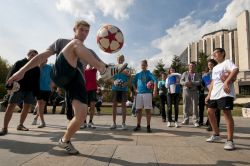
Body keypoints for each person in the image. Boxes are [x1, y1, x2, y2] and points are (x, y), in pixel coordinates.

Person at [5, 20, 127, 155]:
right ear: (74, 29)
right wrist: (22, 71)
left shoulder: (89, 52)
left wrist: (117, 71)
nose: (84, 33)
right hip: (61, 72)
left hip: (76, 81)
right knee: (75, 44)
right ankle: (104, 70)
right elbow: (43, 56)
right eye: (81, 30)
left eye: (87, 31)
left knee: (81, 116)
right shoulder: (61, 42)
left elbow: (103, 65)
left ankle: (65, 140)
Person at [0, 49, 40, 135]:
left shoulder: (36, 68)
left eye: (35, 56)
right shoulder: (19, 63)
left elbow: (37, 81)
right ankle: (4, 128)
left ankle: (21, 125)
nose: (34, 57)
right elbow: (11, 74)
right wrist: (9, 85)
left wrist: (36, 93)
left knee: (26, 108)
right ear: (28, 55)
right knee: (10, 107)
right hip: (18, 89)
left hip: (30, 91)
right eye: (32, 55)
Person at [205, 48, 238, 150]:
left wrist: (227, 82)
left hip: (225, 93)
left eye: (216, 53)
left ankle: (230, 140)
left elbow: (235, 70)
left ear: (222, 53)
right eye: (213, 53)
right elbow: (213, 82)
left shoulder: (227, 62)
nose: (214, 55)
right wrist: (209, 94)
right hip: (214, 94)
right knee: (210, 112)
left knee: (226, 114)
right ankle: (216, 134)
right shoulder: (215, 68)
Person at [133, 60, 157, 133]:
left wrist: (154, 90)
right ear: (140, 66)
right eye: (142, 65)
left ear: (147, 65)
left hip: (147, 94)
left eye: (144, 65)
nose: (143, 66)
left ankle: (148, 126)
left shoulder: (149, 73)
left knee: (147, 110)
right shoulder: (138, 74)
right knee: (138, 110)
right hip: (139, 94)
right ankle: (138, 125)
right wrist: (135, 90)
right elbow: (133, 83)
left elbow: (155, 81)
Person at [110, 55, 130, 130]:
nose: (120, 60)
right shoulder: (113, 68)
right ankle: (113, 123)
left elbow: (129, 78)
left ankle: (123, 123)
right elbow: (110, 78)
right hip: (115, 89)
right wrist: (114, 81)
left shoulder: (127, 69)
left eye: (122, 59)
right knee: (114, 106)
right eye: (119, 59)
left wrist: (126, 83)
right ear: (117, 59)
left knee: (123, 106)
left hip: (124, 90)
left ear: (124, 59)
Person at [200, 59, 220, 130]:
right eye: (209, 65)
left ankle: (216, 126)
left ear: (215, 65)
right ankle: (210, 125)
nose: (210, 66)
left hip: (216, 93)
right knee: (209, 110)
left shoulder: (218, 72)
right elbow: (202, 84)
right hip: (207, 93)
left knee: (216, 111)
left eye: (211, 65)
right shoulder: (205, 74)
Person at [32, 59, 52, 128]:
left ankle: (36, 117)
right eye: (42, 59)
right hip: (38, 88)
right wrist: (40, 67)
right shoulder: (36, 67)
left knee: (42, 106)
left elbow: (53, 76)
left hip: (47, 89)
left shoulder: (50, 67)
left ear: (46, 61)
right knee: (40, 104)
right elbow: (35, 77)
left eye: (45, 60)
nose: (43, 61)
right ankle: (43, 122)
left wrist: (53, 84)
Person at [180, 62, 201, 127]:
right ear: (188, 67)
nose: (191, 67)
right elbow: (181, 81)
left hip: (194, 91)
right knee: (185, 106)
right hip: (186, 91)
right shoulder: (185, 73)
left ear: (195, 67)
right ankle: (186, 120)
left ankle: (195, 121)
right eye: (190, 66)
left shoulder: (197, 74)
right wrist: (185, 83)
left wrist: (192, 83)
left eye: (193, 66)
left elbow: (199, 82)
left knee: (195, 107)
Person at [80, 64, 98, 129]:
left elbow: (97, 63)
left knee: (92, 106)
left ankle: (90, 122)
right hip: (85, 90)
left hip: (93, 90)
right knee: (84, 107)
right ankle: (84, 122)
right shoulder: (83, 70)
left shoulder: (94, 69)